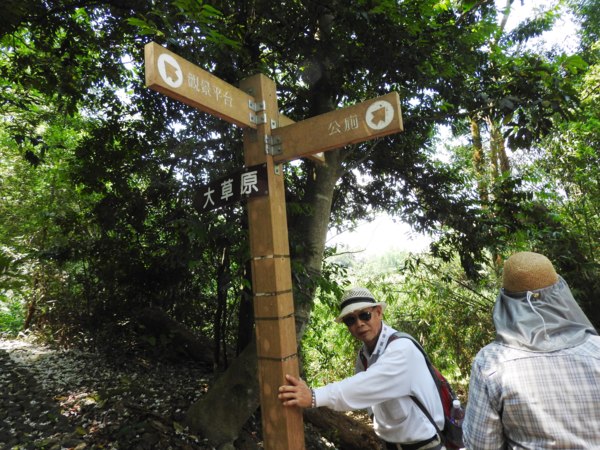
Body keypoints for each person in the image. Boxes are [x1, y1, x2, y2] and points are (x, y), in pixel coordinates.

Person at [278, 287, 445, 450]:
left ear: (378, 312)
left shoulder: (401, 349)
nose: (359, 324)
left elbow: (365, 385)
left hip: (425, 445)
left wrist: (313, 397)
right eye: (351, 320)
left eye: (365, 315)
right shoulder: (364, 355)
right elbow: (367, 394)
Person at [463, 251, 600, 449]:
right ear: (561, 293)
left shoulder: (491, 362)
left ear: (506, 302)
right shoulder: (597, 349)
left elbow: (481, 445)